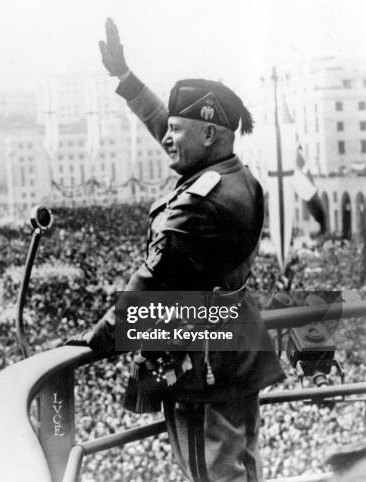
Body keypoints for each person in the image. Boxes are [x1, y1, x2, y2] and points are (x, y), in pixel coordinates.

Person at [77, 18, 286, 482]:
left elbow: (151, 283)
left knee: (211, 472)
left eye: (177, 129)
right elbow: (167, 128)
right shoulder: (230, 175)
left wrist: (95, 340)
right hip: (232, 344)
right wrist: (127, 81)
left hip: (203, 360)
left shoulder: (201, 202)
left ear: (208, 135)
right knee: (239, 463)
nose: (166, 137)